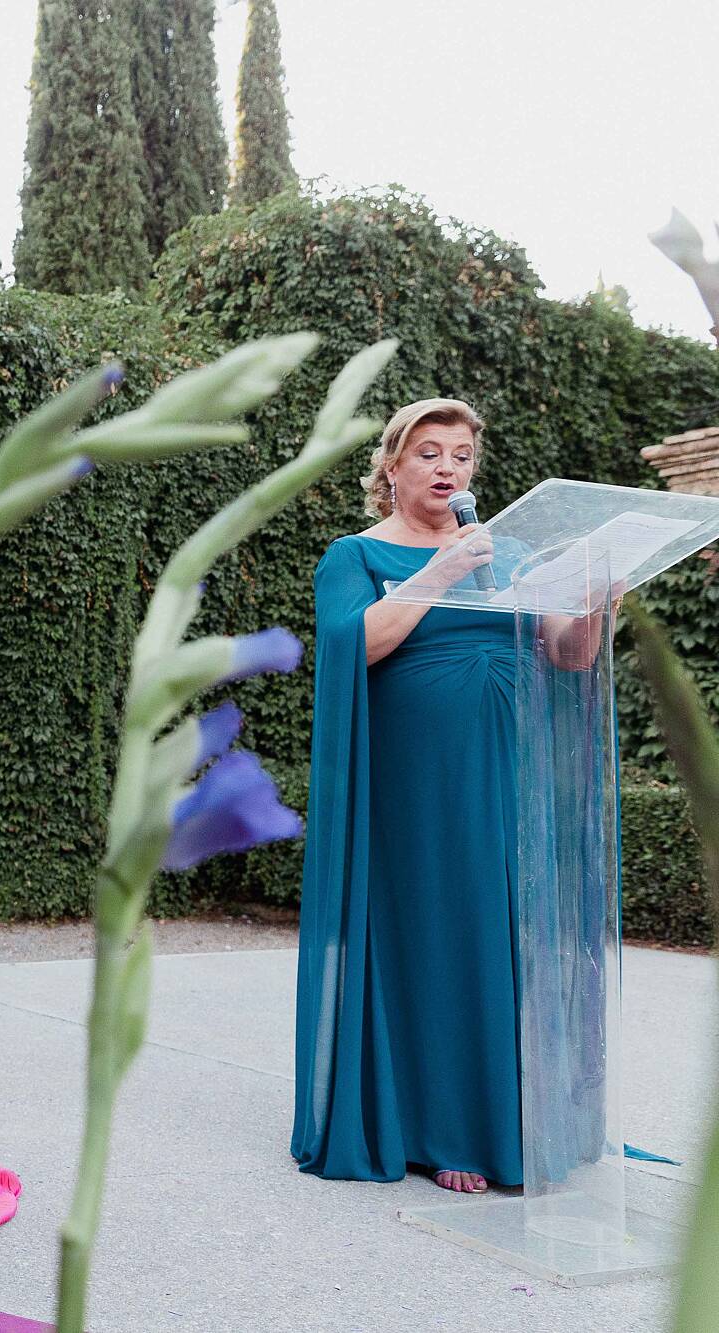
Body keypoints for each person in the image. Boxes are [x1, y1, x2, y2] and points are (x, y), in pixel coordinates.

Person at [291, 397, 618, 1195]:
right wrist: (436, 575)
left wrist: (601, 593)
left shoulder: (505, 553)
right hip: (414, 786)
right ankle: (442, 1128)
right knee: (434, 930)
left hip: (506, 776)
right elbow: (352, 647)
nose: (449, 468)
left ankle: (501, 1115)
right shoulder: (357, 555)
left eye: (463, 455)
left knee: (501, 929)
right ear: (392, 467)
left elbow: (569, 655)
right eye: (430, 452)